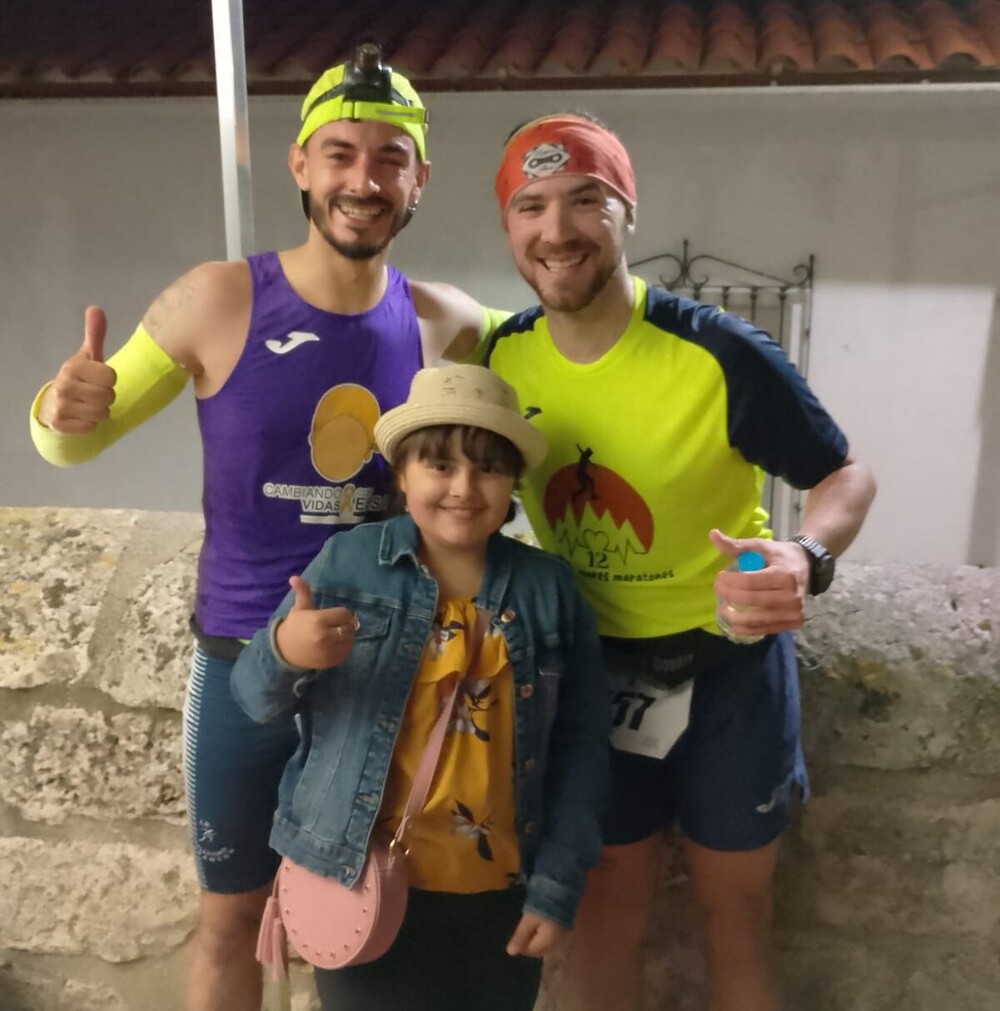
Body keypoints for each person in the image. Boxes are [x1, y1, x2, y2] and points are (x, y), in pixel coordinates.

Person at [28, 46, 509, 1011]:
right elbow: (70, 441)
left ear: (419, 179)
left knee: (365, 924)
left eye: (387, 159)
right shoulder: (219, 298)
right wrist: (58, 405)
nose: (362, 180)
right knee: (231, 928)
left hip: (389, 675)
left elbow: (575, 371)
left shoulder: (447, 321)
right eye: (339, 154)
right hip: (241, 664)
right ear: (300, 165)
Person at [486, 113, 877, 1011]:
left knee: (733, 915)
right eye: (531, 207)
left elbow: (844, 474)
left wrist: (804, 553)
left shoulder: (717, 350)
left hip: (730, 665)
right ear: (508, 227)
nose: (557, 231)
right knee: (605, 909)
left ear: (627, 212)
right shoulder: (501, 358)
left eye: (586, 201)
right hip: (591, 676)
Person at [229, 363, 610, 1011]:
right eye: (439, 465)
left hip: (496, 897)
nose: (463, 487)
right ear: (401, 475)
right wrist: (287, 649)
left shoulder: (550, 590)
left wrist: (557, 884)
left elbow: (582, 746)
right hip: (356, 880)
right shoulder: (348, 564)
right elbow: (255, 697)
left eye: (487, 468)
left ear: (513, 481)